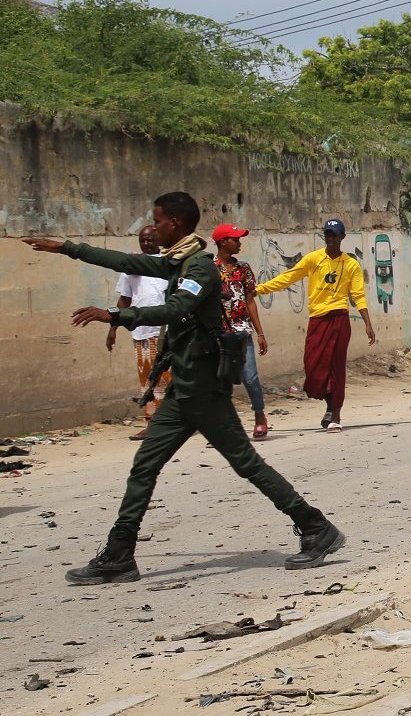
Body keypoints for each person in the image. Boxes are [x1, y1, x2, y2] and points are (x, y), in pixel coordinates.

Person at [23, 192, 344, 584]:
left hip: (205, 390)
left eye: (157, 221)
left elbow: (175, 311)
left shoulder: (200, 269)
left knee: (247, 463)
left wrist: (114, 315)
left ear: (173, 223)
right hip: (182, 391)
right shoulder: (178, 262)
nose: (153, 227)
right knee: (144, 465)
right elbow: (126, 262)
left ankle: (315, 527)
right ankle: (120, 555)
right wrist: (68, 248)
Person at [256, 218, 376, 432]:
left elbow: (358, 294)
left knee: (336, 368)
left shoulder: (350, 265)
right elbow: (289, 277)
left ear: (342, 237)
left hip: (339, 319)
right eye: (327, 234)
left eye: (334, 235)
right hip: (318, 319)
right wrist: (260, 289)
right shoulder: (313, 259)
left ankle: (335, 413)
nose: (330, 239)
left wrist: (367, 323)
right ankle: (329, 404)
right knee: (314, 367)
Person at [108, 225, 171, 440]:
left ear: (159, 239)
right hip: (142, 332)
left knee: (170, 378)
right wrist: (113, 327)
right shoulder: (132, 267)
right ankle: (152, 423)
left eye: (150, 239)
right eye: (142, 240)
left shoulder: (168, 262)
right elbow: (124, 300)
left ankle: (175, 422)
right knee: (148, 380)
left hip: (167, 332)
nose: (146, 244)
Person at [211, 224, 270, 440]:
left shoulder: (243, 268)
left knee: (250, 377)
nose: (239, 243)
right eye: (235, 239)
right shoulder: (209, 268)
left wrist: (260, 332)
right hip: (218, 333)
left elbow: (250, 301)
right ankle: (223, 428)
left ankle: (259, 415)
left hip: (242, 331)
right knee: (219, 380)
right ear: (222, 242)